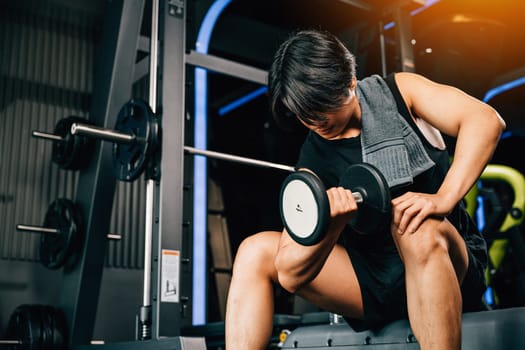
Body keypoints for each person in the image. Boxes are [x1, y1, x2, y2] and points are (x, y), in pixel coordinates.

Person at [224, 29, 505, 350]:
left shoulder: (402, 93)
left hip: (444, 265)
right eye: (304, 113)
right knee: (254, 252)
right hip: (374, 282)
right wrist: (332, 224)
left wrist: (444, 198)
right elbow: (290, 273)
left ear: (351, 81)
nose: (315, 121)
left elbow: (485, 121)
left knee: (414, 226)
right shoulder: (313, 156)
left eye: (322, 107)